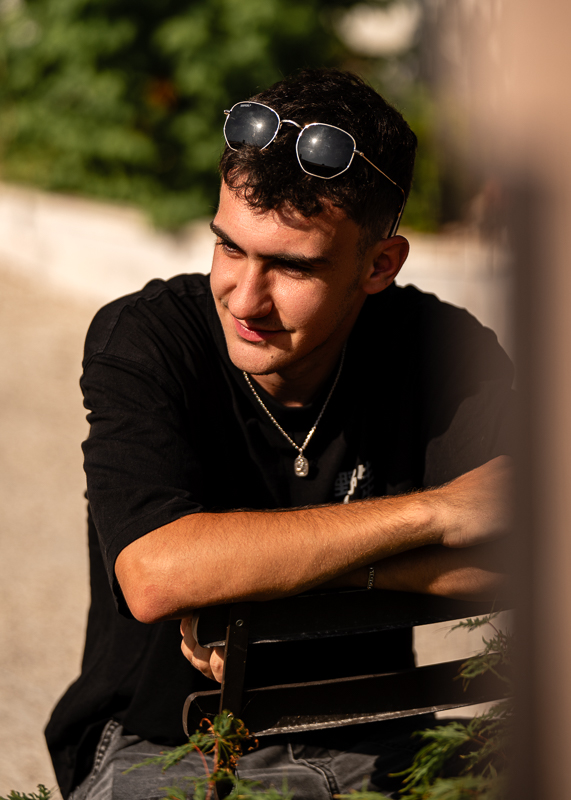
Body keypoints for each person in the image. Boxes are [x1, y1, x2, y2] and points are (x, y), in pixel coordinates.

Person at [45, 69, 513, 800]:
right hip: (167, 743)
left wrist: (268, 585)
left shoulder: (441, 350)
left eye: (292, 266)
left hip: (383, 734)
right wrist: (435, 515)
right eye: (230, 249)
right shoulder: (147, 338)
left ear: (379, 265)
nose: (245, 298)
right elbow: (157, 574)